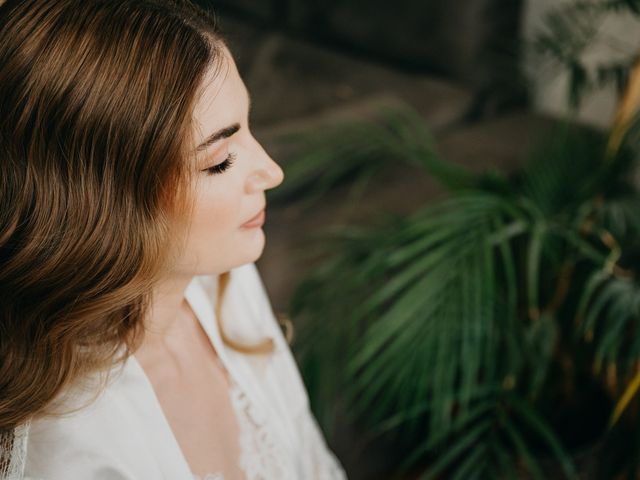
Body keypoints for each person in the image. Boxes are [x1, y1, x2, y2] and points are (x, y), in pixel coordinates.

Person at [0, 0, 348, 478]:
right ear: (106, 203)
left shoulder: (228, 281)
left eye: (250, 128)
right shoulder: (69, 447)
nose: (272, 170)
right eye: (221, 160)